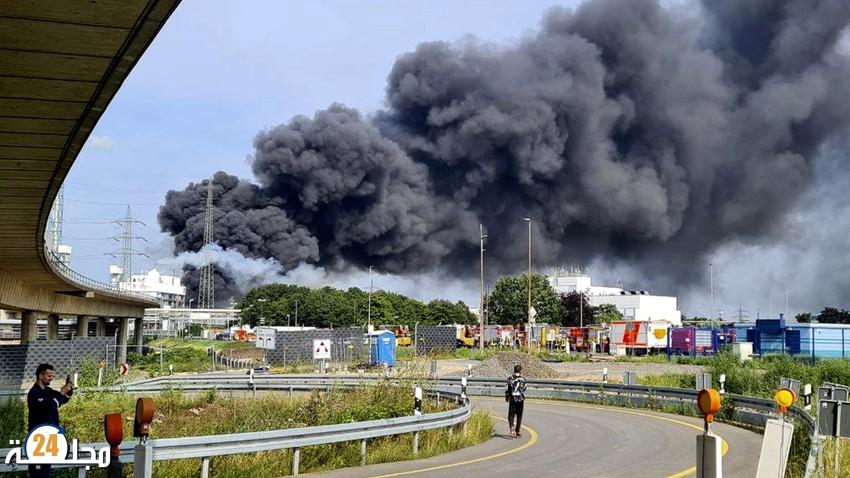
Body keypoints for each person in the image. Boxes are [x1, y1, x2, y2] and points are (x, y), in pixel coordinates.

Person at [27, 364, 73, 478]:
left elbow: (61, 400)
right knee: (39, 473)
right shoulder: (34, 393)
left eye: (52, 376)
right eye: (49, 376)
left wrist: (68, 389)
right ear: (40, 376)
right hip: (38, 441)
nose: (51, 378)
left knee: (46, 472)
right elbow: (50, 407)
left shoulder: (48, 391)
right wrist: (61, 394)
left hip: (49, 440)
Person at [506, 364, 527, 438]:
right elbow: (524, 389)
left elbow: (508, 389)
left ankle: (512, 427)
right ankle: (517, 431)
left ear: (514, 370)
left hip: (512, 398)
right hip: (520, 399)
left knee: (511, 415)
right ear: (521, 371)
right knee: (519, 415)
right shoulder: (523, 380)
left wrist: (507, 397)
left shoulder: (510, 379)